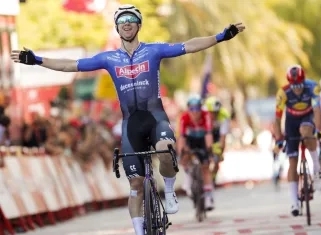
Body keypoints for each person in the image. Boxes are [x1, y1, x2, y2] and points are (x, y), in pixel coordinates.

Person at [11, 4, 245, 235]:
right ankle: (139, 231)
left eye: (130, 20)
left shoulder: (153, 50)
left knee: (166, 149)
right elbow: (70, 65)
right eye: (121, 21)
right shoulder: (109, 58)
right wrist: (37, 60)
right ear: (117, 27)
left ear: (139, 25)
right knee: (135, 185)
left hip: (155, 118)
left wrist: (220, 37)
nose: (126, 24)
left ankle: (171, 190)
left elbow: (190, 46)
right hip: (131, 124)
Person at [274, 65, 321, 216]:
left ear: (304, 81)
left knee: (306, 131)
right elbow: (277, 118)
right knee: (292, 162)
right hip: (291, 121)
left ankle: (316, 166)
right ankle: (294, 202)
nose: (297, 89)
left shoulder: (312, 87)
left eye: (300, 85)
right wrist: (278, 138)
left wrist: (319, 131)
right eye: (294, 85)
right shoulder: (283, 92)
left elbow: (317, 111)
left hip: (307, 116)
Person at [177, 96, 214, 210]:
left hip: (202, 140)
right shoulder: (184, 117)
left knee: (205, 167)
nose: (195, 112)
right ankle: (188, 178)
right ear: (188, 109)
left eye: (197, 109)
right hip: (190, 140)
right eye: (192, 109)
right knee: (185, 155)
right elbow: (182, 137)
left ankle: (208, 198)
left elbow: (208, 134)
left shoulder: (206, 115)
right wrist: (181, 152)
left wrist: (209, 149)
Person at [203, 96, 230, 185]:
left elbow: (223, 136)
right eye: (212, 113)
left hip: (217, 134)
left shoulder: (224, 115)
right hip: (205, 133)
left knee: (217, 154)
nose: (214, 115)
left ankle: (212, 177)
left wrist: (220, 151)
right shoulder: (203, 113)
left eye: (216, 113)